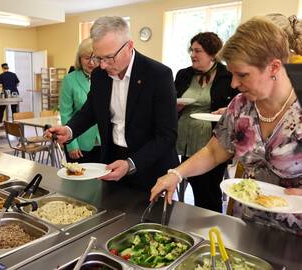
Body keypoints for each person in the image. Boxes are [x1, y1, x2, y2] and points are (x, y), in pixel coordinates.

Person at [150, 17, 302, 235]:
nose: (233, 84)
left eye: (242, 75)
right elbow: (214, 151)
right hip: (247, 226)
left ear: (274, 67)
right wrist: (176, 173)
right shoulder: (241, 106)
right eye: (231, 73)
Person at [47, 16, 179, 191]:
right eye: (98, 58)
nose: (102, 65)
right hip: (111, 160)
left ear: (129, 46)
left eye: (109, 58)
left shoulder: (158, 75)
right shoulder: (99, 75)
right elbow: (91, 110)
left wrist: (131, 164)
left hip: (150, 165)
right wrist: (69, 130)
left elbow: (166, 136)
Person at [175, 32, 238, 212]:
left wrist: (225, 111)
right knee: (194, 182)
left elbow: (237, 105)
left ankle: (210, 228)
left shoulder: (227, 76)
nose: (192, 54)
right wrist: (175, 106)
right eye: (191, 50)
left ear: (212, 53)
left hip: (214, 141)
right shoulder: (184, 75)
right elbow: (171, 98)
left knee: (209, 191)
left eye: (198, 51)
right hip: (185, 140)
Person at [60, 38, 101, 163]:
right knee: (79, 180)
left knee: (102, 181)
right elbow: (66, 114)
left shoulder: (106, 78)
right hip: (80, 142)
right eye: (87, 58)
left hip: (104, 141)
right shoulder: (69, 80)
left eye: (95, 58)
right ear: (79, 59)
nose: (91, 62)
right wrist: (71, 144)